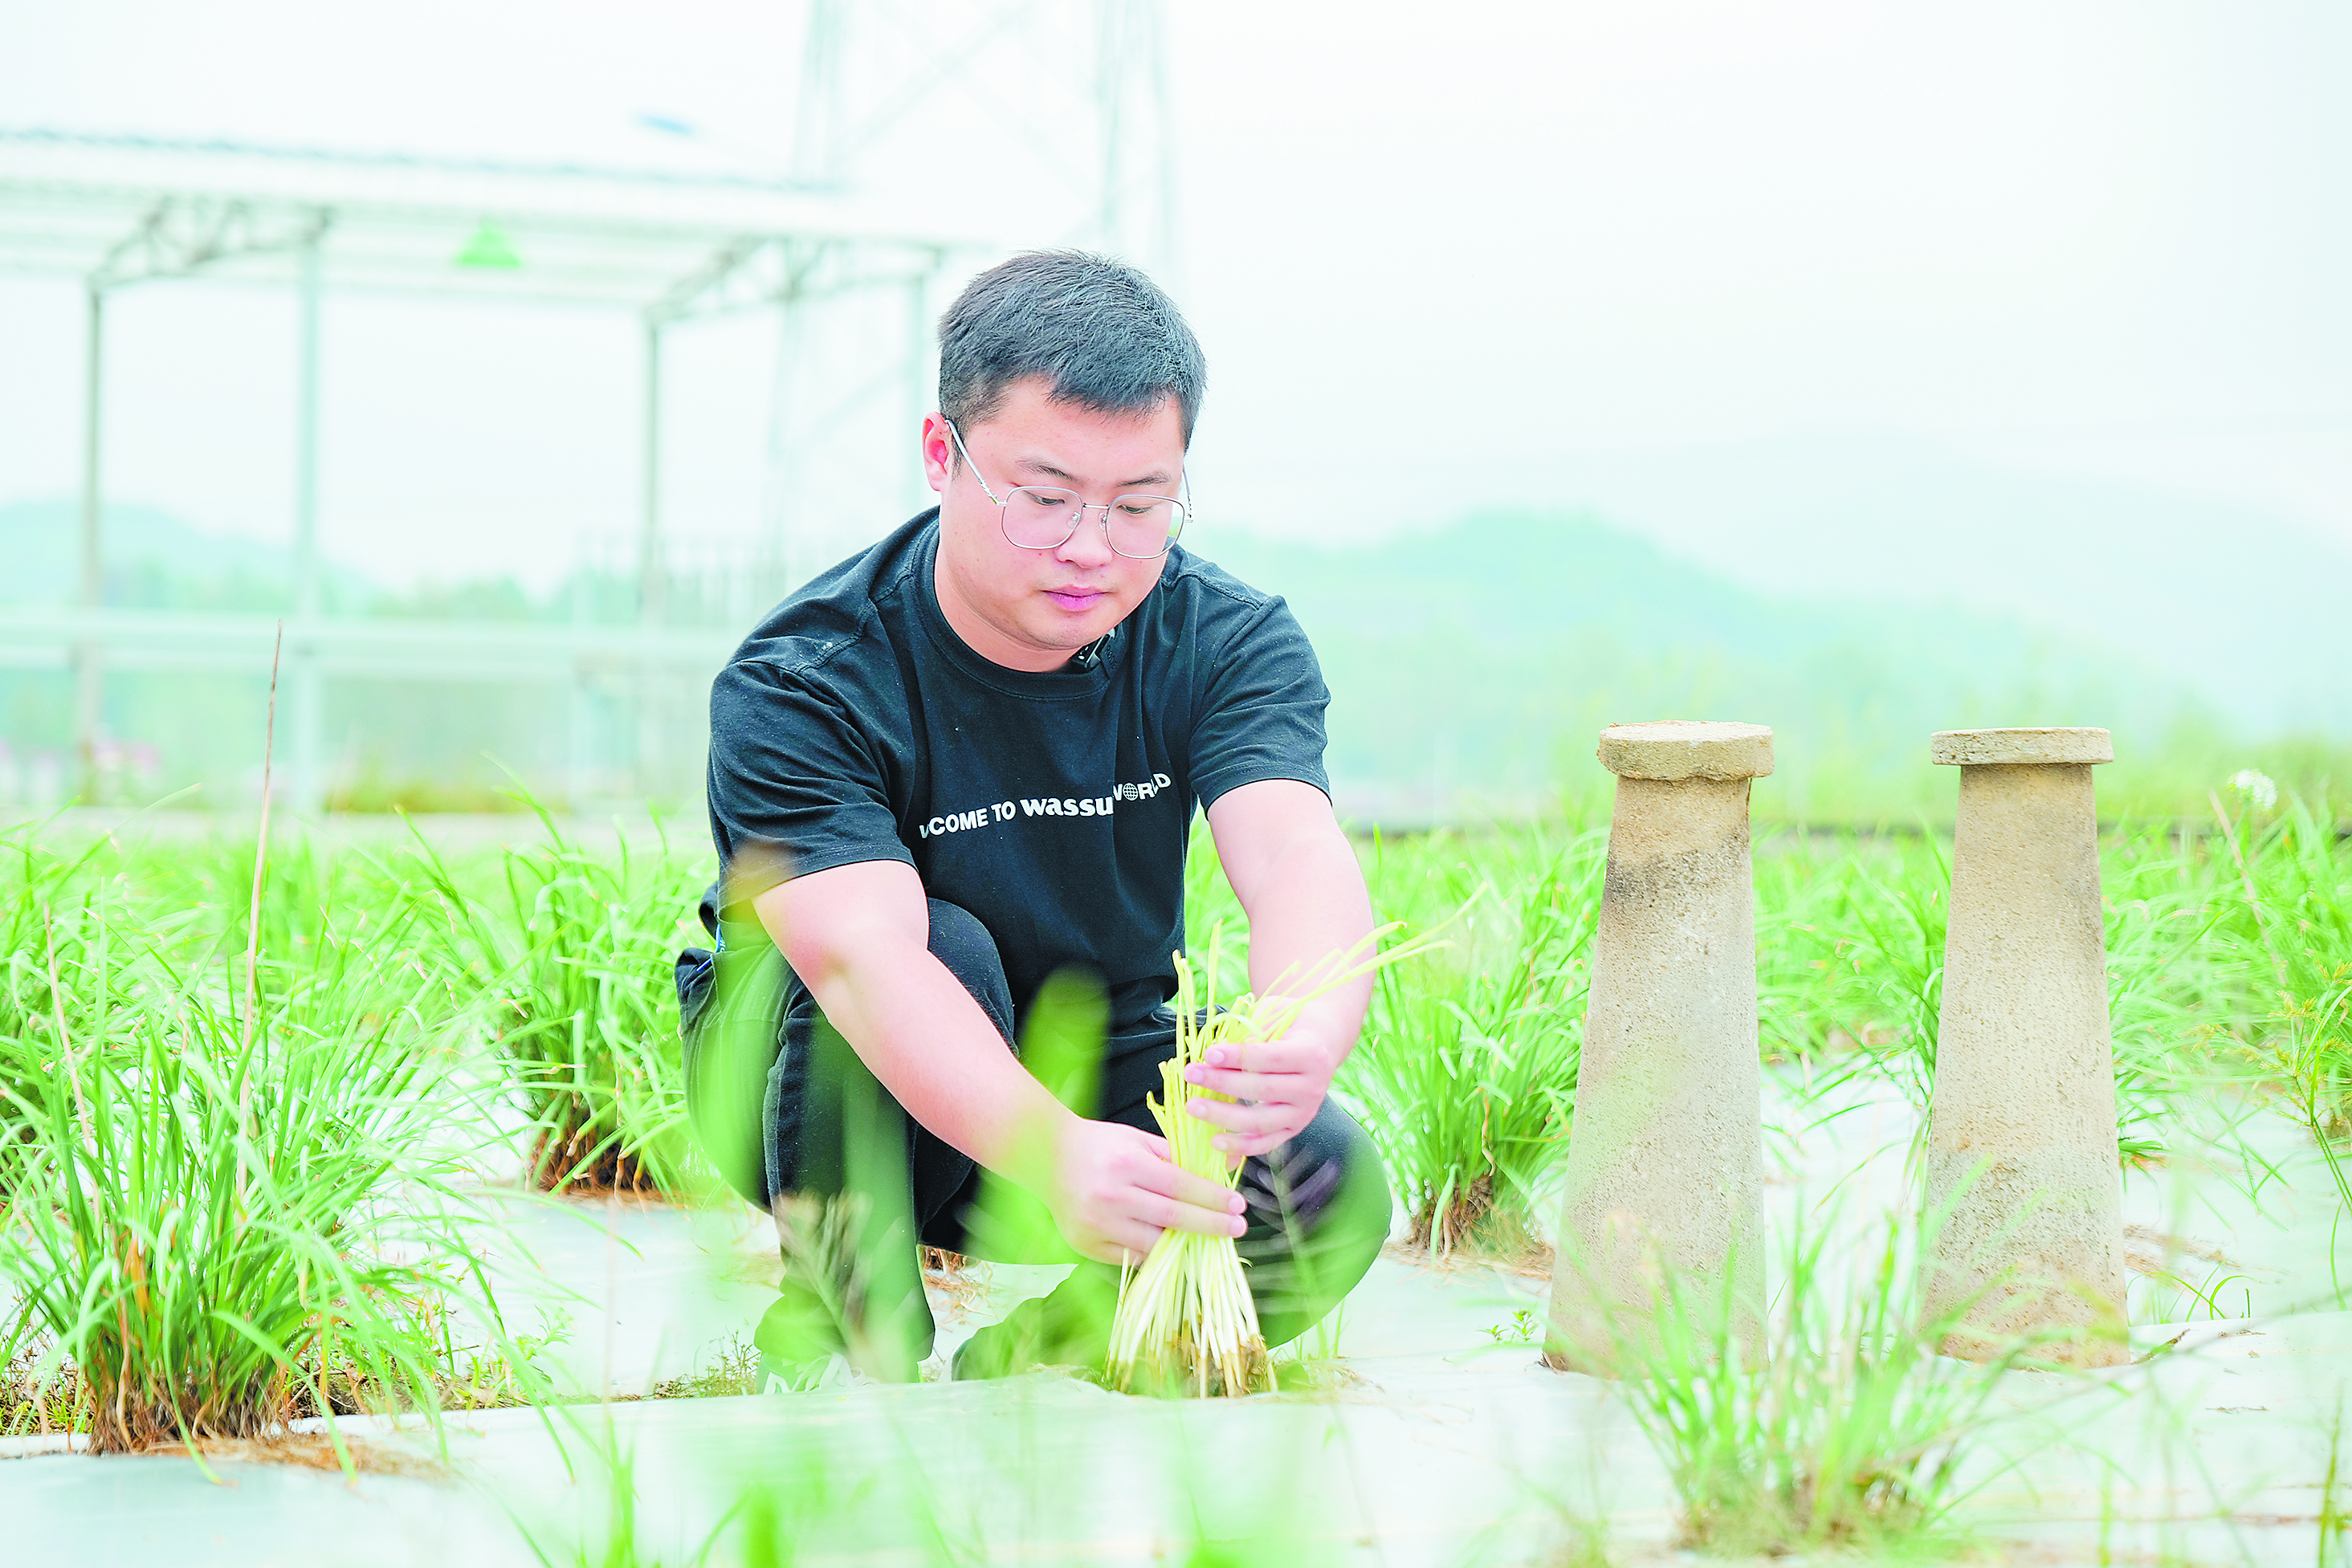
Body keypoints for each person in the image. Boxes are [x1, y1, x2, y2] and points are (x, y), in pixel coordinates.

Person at [677, 250, 1390, 1388]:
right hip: (816, 1080)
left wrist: (1301, 1036)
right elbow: (859, 964)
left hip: (1085, 1055)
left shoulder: (1225, 638)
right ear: (940, 456)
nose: (1090, 549)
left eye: (1140, 505)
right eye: (1045, 498)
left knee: (1324, 1181)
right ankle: (846, 1327)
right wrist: (1052, 1155)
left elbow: (1294, 847)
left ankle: (1045, 1359)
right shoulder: (808, 677)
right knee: (940, 946)